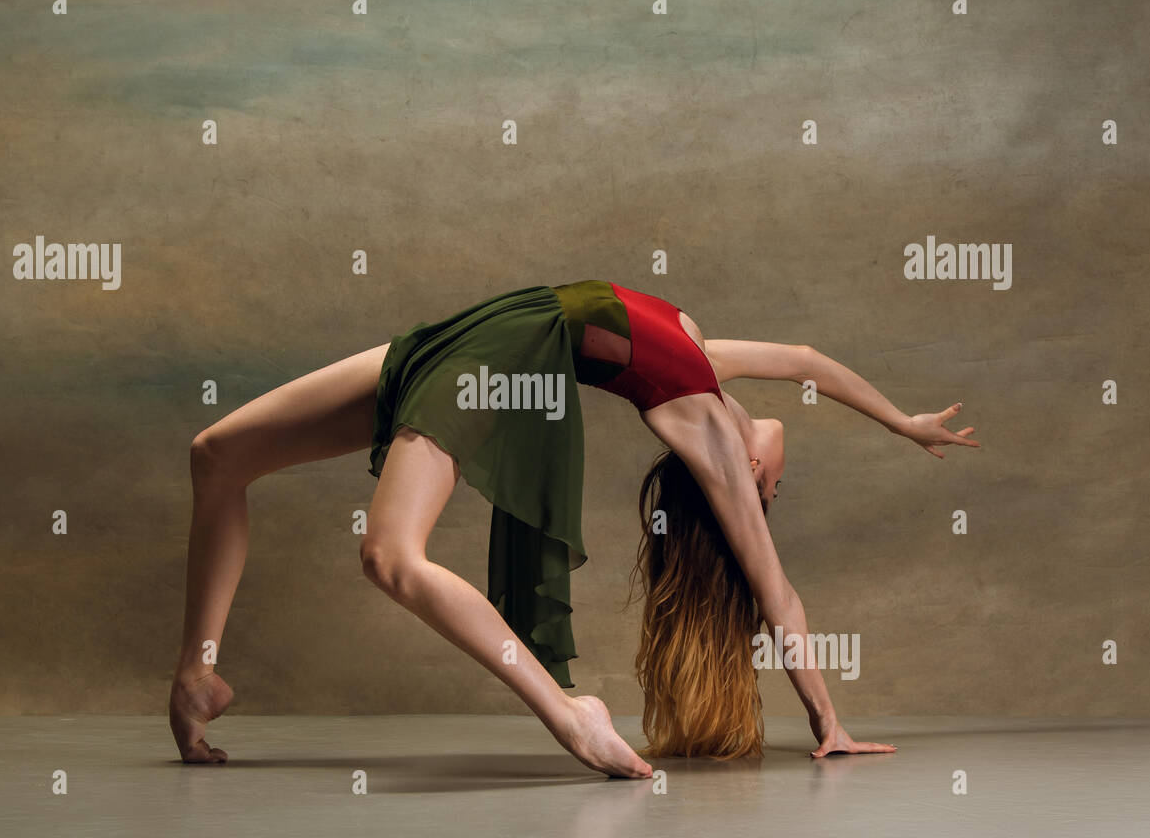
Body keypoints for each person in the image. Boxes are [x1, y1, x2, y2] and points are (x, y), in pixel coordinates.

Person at [169, 280, 979, 778]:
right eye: (779, 483)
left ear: (749, 489)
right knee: (217, 456)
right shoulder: (701, 361)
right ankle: (198, 674)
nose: (779, 472)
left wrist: (827, 722)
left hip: (510, 354)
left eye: (776, 489)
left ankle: (567, 710)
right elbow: (805, 359)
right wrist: (903, 425)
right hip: (482, 327)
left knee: (389, 556)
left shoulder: (714, 439)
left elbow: (779, 596)